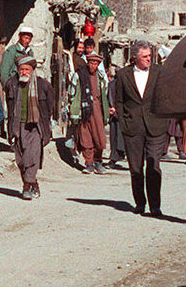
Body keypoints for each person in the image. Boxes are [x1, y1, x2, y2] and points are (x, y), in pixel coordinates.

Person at [113, 43, 168, 216]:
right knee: (136, 168)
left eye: (150, 55)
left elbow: (165, 95)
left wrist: (165, 119)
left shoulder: (159, 72)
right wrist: (123, 122)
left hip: (156, 125)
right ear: (135, 57)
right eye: (145, 57)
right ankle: (140, 203)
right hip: (133, 127)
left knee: (153, 164)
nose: (149, 59)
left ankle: (155, 205)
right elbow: (119, 101)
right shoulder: (123, 75)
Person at [3, 53, 54, 200]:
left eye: (27, 69)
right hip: (18, 125)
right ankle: (33, 184)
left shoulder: (43, 85)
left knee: (31, 156)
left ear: (32, 70)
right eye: (21, 69)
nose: (24, 72)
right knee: (20, 159)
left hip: (36, 126)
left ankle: (27, 185)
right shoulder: (12, 84)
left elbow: (49, 107)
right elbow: (10, 105)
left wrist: (46, 124)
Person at [69, 50, 111, 174]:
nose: (93, 66)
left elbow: (105, 93)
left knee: (99, 136)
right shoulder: (79, 75)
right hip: (84, 109)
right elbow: (72, 92)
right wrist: (75, 108)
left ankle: (98, 161)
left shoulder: (100, 77)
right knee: (85, 136)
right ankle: (89, 163)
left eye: (95, 63)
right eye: (91, 63)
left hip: (97, 108)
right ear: (88, 63)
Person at [106, 58, 127, 169]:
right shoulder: (112, 85)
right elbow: (109, 97)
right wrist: (112, 109)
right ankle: (114, 158)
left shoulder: (126, 85)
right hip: (115, 115)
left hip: (124, 115)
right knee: (114, 138)